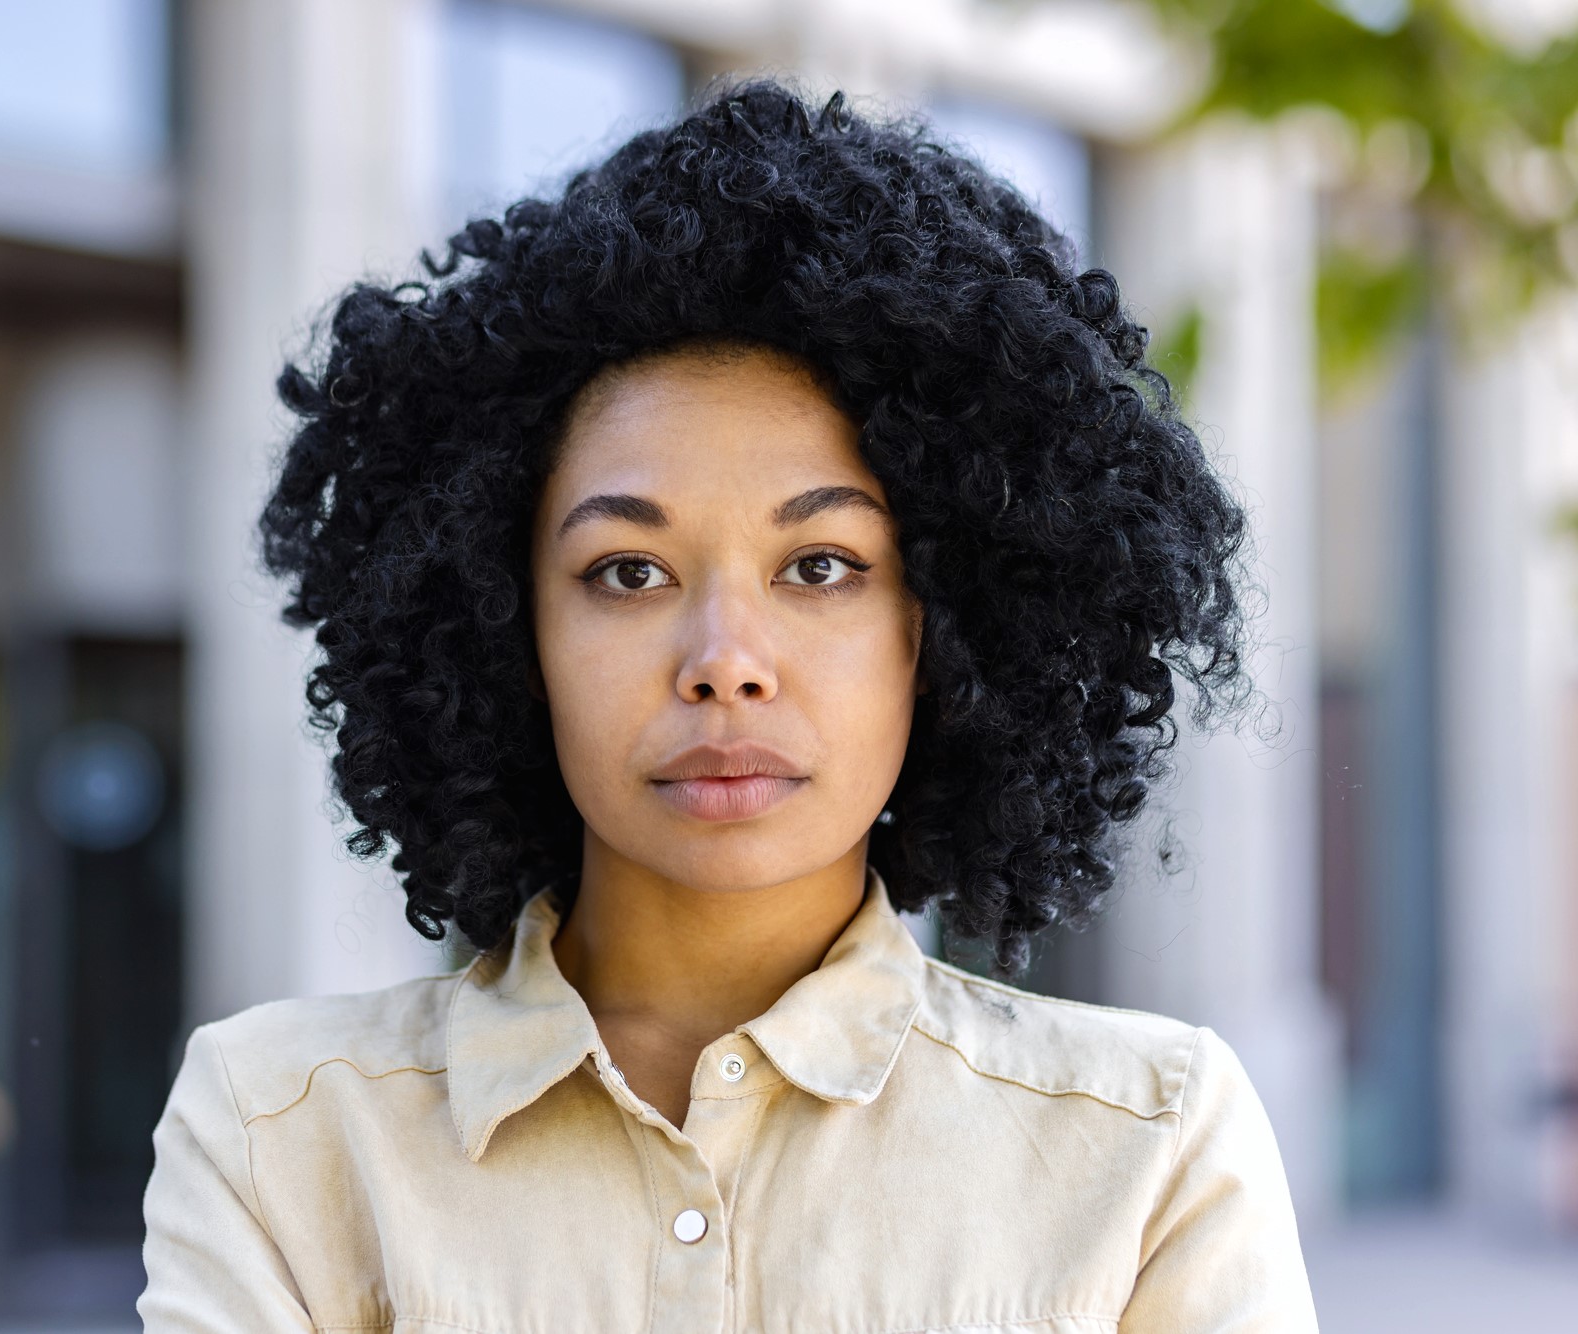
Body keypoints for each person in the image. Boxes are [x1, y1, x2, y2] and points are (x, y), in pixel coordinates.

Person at [138, 80, 1318, 1332]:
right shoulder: (281, 1131)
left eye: (820, 567)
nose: (723, 660)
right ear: (502, 623)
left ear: (942, 622)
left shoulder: (1147, 1151)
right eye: (626, 572)